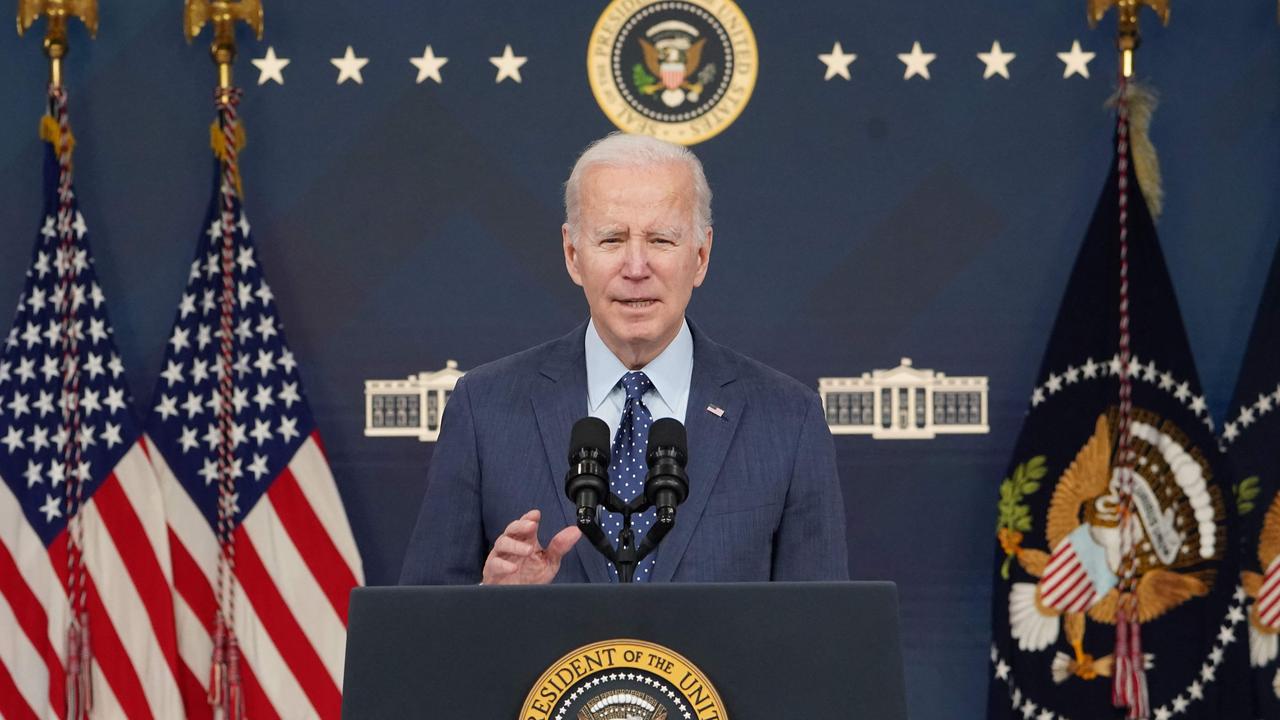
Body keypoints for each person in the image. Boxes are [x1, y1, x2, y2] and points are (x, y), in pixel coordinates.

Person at [399, 133, 847, 585]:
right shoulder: (484, 409)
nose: (636, 267)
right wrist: (487, 605)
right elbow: (420, 634)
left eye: (661, 240)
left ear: (701, 255)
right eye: (612, 239)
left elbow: (822, 636)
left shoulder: (788, 420)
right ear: (573, 255)